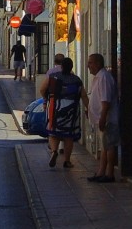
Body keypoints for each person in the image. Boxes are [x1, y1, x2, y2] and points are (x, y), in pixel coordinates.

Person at [41, 57, 88, 168]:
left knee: (53, 133)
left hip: (55, 108)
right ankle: (67, 161)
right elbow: (84, 96)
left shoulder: (53, 77)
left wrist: (47, 98)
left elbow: (42, 89)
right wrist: (89, 108)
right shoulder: (77, 80)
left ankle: (54, 151)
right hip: (72, 111)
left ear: (61, 67)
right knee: (69, 136)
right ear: (71, 67)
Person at [86, 52, 119, 182]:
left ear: (98, 64)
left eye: (90, 63)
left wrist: (103, 118)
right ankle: (101, 172)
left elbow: (105, 101)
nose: (88, 66)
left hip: (108, 120)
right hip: (102, 119)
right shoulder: (99, 77)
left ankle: (109, 173)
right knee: (105, 147)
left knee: (109, 146)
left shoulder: (104, 77)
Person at [39, 54, 65, 160]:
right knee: (65, 127)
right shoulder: (70, 73)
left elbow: (43, 89)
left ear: (54, 61)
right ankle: (63, 149)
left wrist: (46, 101)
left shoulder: (50, 72)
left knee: (52, 126)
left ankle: (54, 150)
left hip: (53, 102)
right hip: (67, 104)